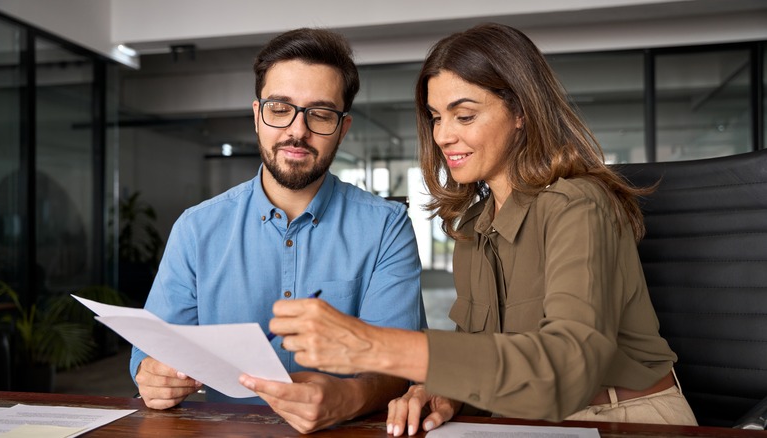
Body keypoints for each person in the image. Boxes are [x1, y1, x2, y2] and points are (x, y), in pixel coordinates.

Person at [262, 23, 698, 436]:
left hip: (622, 417)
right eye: (435, 117)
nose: (443, 136)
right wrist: (447, 391)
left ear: (521, 112)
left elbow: (566, 370)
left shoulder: (579, 205)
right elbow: (485, 350)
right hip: (522, 420)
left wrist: (374, 346)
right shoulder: (474, 227)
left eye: (464, 116)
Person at [129, 27, 426, 434]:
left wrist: (347, 398)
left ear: (343, 128)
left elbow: (400, 365)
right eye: (280, 108)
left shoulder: (386, 228)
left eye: (320, 114)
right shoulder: (197, 229)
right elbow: (151, 350)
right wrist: (151, 374)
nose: (297, 131)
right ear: (257, 115)